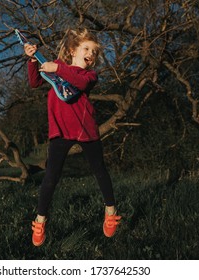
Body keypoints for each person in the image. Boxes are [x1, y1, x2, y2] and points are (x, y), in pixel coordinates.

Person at [24, 28, 121, 246]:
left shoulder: (89, 75)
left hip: (86, 130)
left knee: (100, 171)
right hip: (60, 130)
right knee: (51, 176)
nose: (91, 54)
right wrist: (32, 60)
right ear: (72, 50)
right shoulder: (58, 67)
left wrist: (56, 67)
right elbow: (35, 83)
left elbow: (81, 83)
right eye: (86, 48)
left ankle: (111, 210)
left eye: (95, 52)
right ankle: (40, 220)